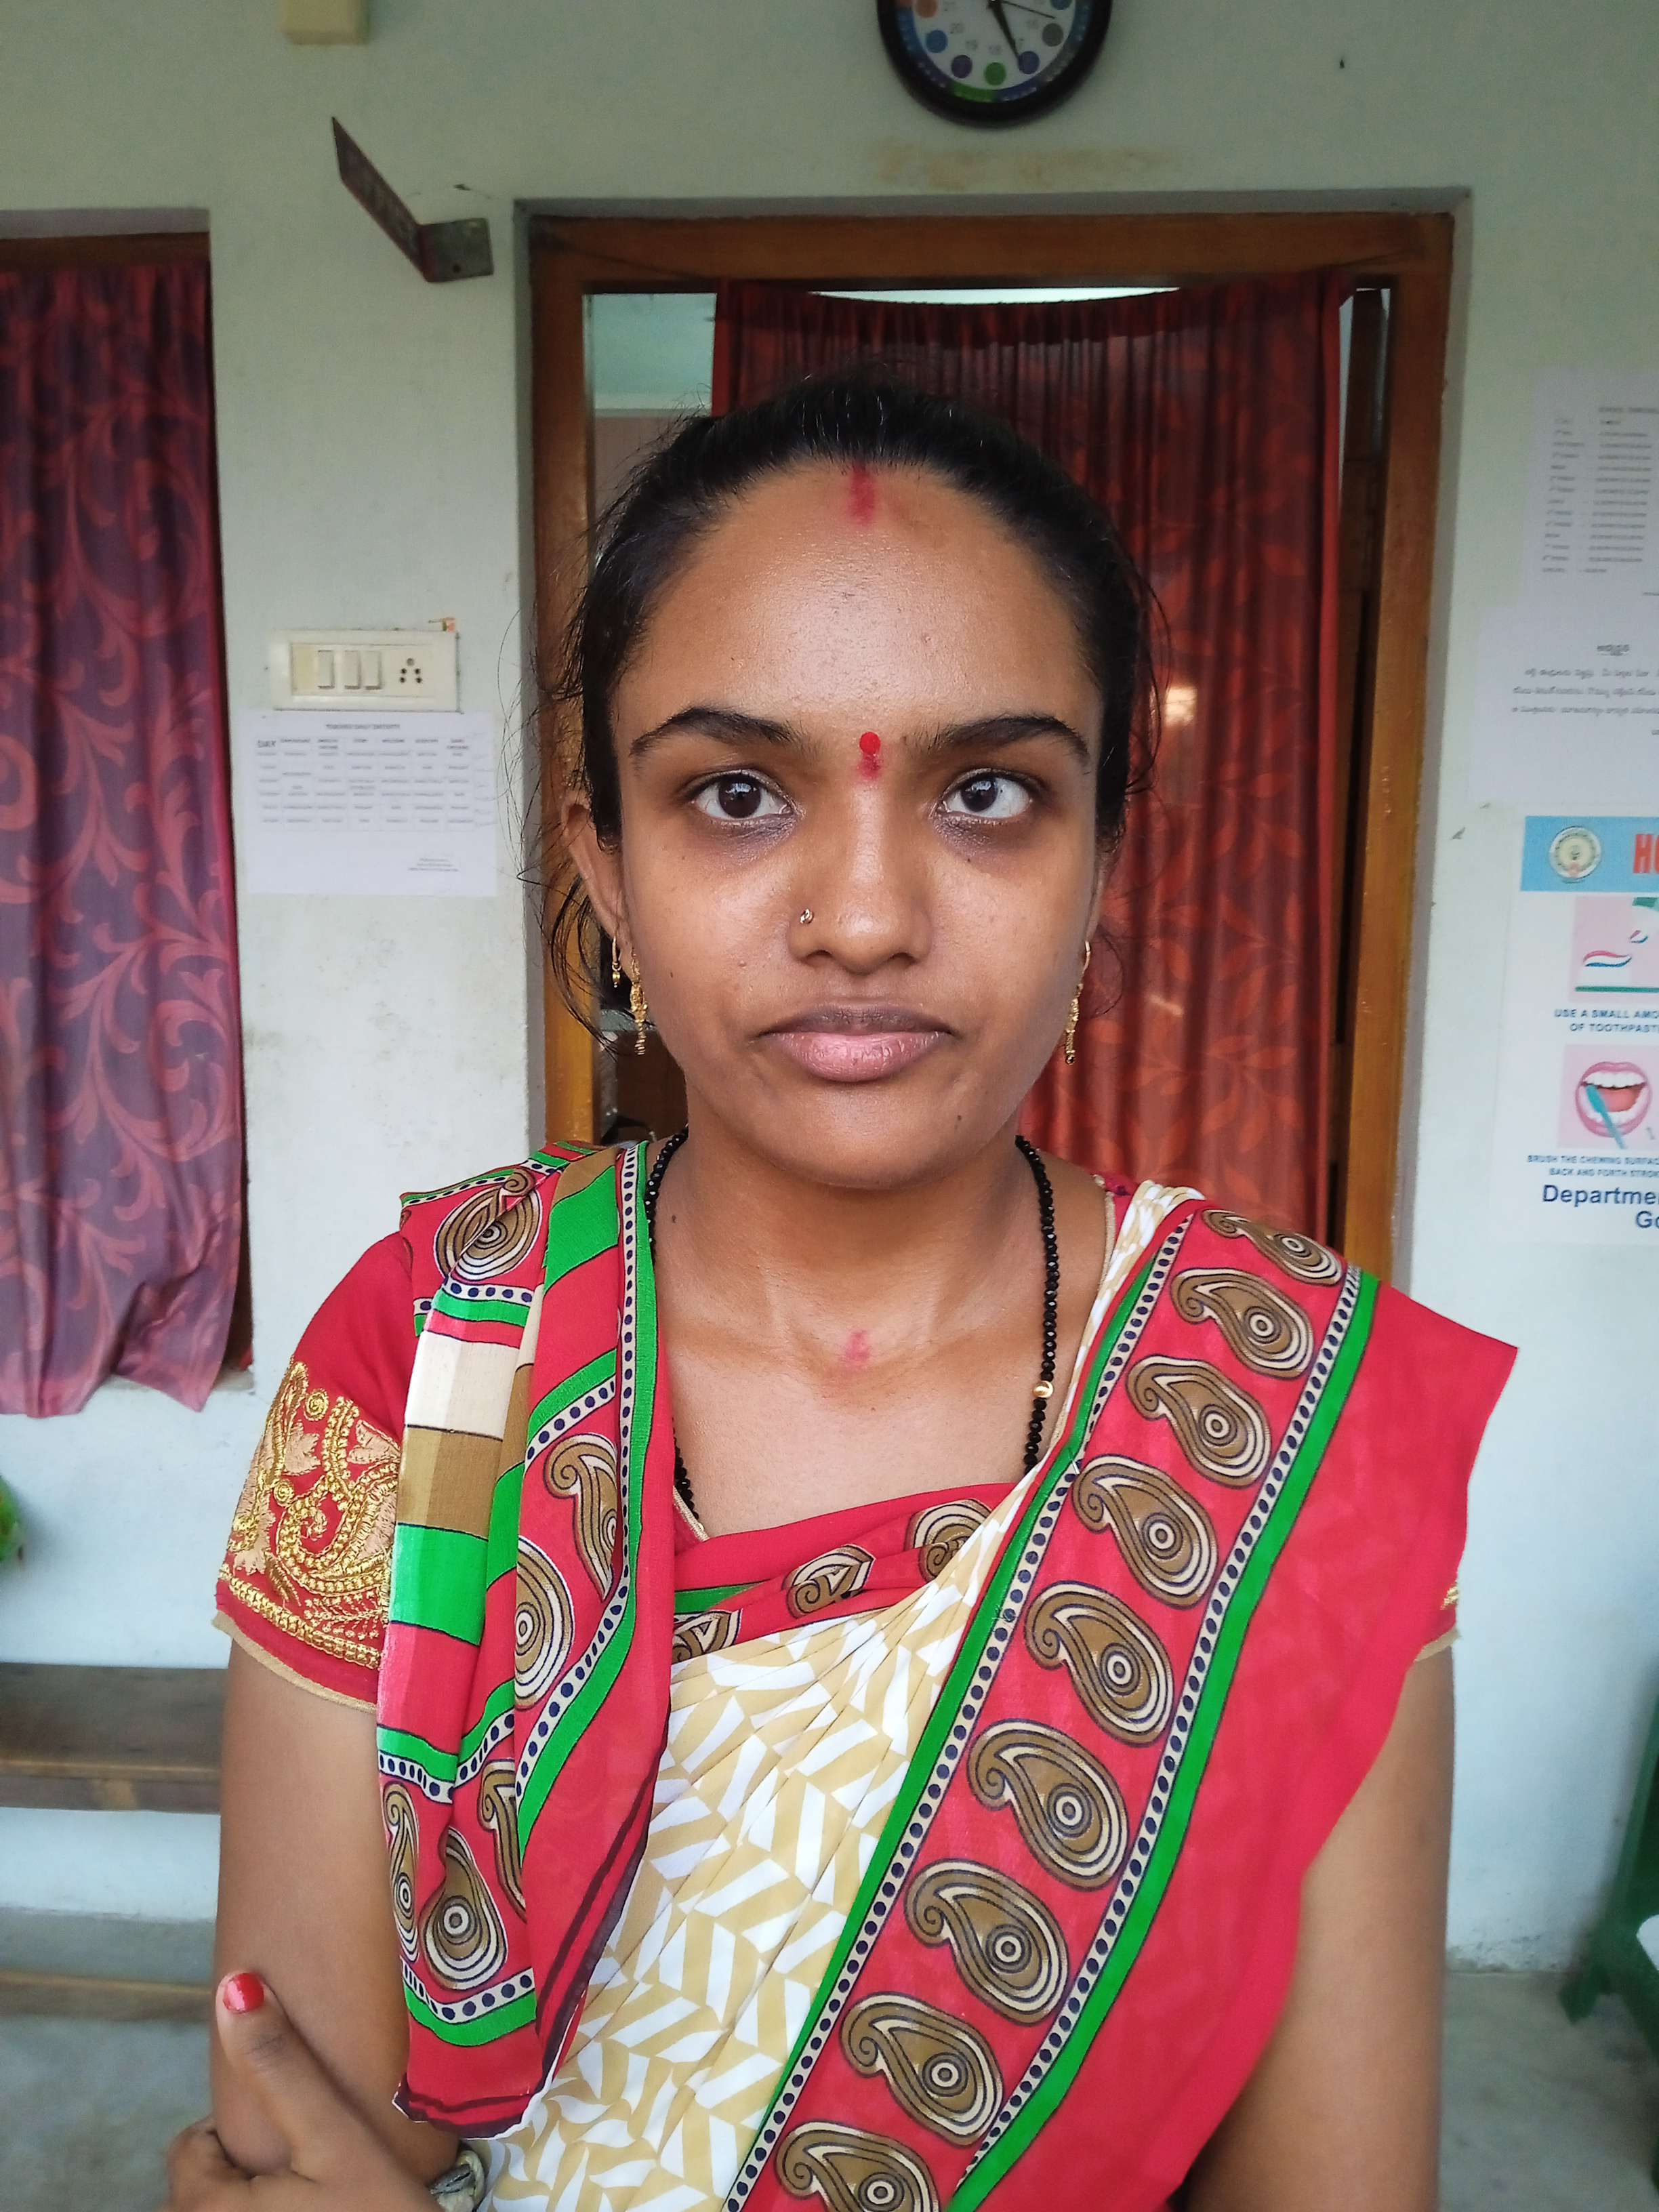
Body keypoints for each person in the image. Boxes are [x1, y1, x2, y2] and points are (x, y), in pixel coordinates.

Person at [168, 373, 1514, 2212]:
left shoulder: (1296, 1427)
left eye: (989, 793)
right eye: (735, 794)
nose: (865, 916)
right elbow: (306, 2132)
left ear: (1106, 860)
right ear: (606, 867)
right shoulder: (435, 1355)